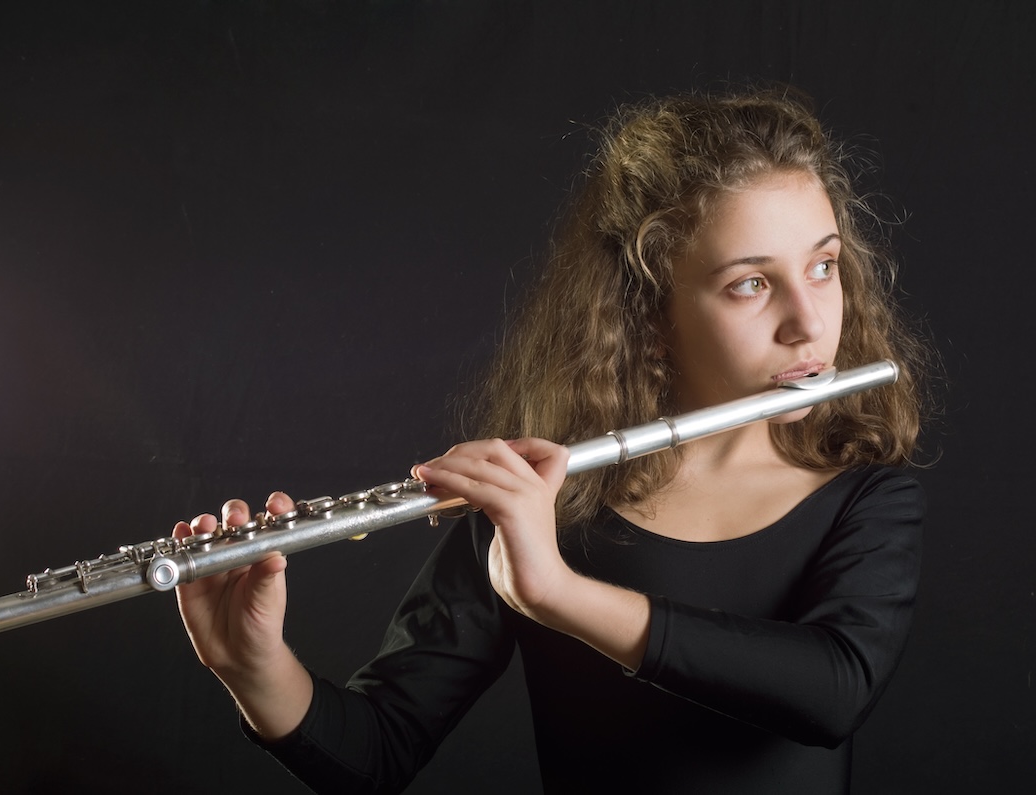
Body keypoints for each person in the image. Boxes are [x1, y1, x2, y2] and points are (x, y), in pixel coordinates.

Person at [173, 87, 931, 794]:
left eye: (823, 266)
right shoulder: (542, 501)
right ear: (651, 319)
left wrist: (558, 594)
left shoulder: (865, 498)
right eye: (751, 283)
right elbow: (378, 748)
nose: (809, 320)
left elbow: (835, 690)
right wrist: (255, 667)